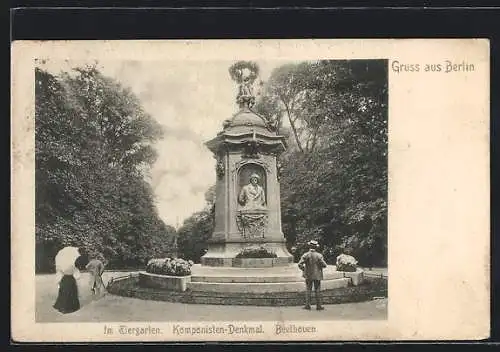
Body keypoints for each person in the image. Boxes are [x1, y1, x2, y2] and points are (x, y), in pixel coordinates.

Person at [298, 240, 328, 311]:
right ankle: (318, 306)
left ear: (309, 246)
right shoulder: (319, 255)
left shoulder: (306, 255)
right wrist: (320, 267)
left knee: (308, 290)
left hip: (308, 275)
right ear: (316, 247)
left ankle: (307, 305)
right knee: (317, 290)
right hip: (317, 275)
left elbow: (299, 264)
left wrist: (304, 270)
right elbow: (324, 265)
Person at [53, 248, 81, 314]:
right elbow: (77, 276)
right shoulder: (73, 266)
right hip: (71, 279)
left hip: (64, 279)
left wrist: (58, 281)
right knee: (72, 293)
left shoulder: (62, 265)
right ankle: (71, 307)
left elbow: (59, 272)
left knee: (63, 292)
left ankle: (62, 306)